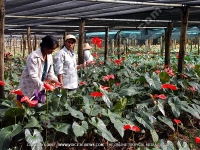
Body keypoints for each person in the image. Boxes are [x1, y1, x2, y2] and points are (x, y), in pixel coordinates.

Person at [18, 35, 61, 102]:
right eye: (52, 49)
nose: (53, 51)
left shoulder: (49, 57)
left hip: (40, 87)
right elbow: (33, 76)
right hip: (29, 87)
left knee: (39, 107)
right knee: (26, 106)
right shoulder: (33, 57)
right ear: (45, 47)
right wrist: (45, 86)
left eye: (54, 49)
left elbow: (50, 73)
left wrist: (56, 81)